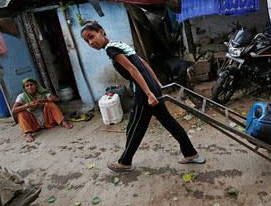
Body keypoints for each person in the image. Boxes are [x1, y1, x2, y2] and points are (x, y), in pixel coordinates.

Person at [81, 20, 205, 172]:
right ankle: (190, 153)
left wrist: (148, 93)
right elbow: (144, 64)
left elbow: (133, 69)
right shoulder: (119, 44)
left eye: (91, 36)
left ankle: (125, 162)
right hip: (150, 88)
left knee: (135, 127)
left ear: (101, 32)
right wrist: (157, 84)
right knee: (167, 122)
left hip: (144, 92)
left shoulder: (111, 49)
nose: (90, 42)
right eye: (87, 40)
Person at [12, 78, 72, 143]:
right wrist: (28, 105)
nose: (30, 87)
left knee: (50, 104)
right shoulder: (22, 96)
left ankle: (63, 122)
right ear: (24, 88)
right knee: (21, 113)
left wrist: (43, 100)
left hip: (47, 120)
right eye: (27, 86)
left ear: (36, 85)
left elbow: (56, 99)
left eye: (31, 85)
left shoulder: (42, 93)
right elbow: (13, 110)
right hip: (34, 124)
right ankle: (28, 134)